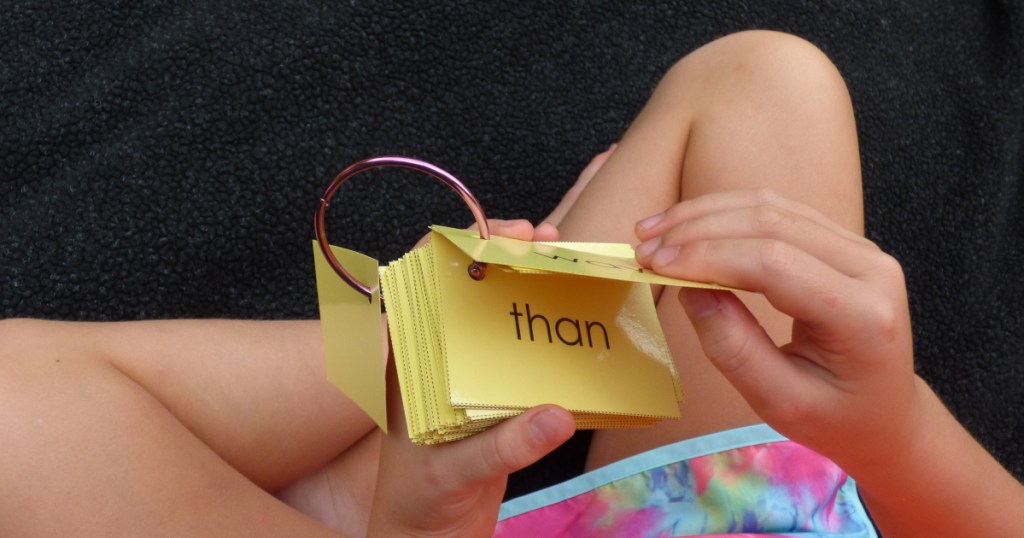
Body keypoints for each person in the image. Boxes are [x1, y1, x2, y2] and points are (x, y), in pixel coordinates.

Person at [1, 30, 1020, 537]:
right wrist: (894, 431)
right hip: (745, 510)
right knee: (763, 83)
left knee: (15, 414)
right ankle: (459, 351)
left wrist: (415, 518)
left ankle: (395, 412)